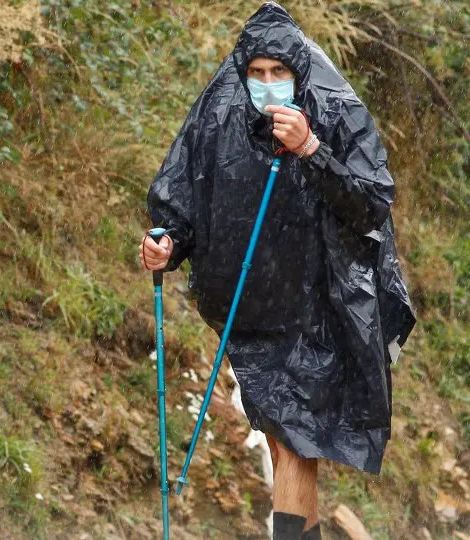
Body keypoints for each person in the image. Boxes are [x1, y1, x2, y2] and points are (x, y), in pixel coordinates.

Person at [139, 4, 415, 539]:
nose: (267, 85)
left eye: (279, 73)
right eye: (257, 74)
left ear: (298, 70)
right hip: (253, 310)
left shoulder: (335, 109)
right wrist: (167, 246)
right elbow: (182, 200)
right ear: (242, 71)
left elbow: (372, 205)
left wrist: (310, 148)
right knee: (288, 440)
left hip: (321, 307)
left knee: (292, 441)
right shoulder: (219, 112)